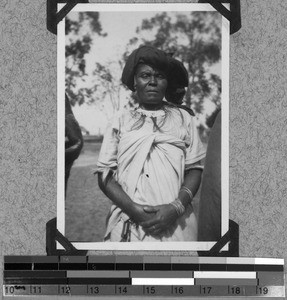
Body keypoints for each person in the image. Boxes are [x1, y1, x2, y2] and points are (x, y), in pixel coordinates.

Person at [96, 46, 206, 242]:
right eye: (145, 76)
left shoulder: (184, 119)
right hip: (128, 224)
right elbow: (105, 175)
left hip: (177, 224)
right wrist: (135, 211)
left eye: (160, 76)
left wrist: (176, 208)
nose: (152, 82)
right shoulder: (120, 120)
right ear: (134, 82)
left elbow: (194, 170)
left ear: (167, 82)